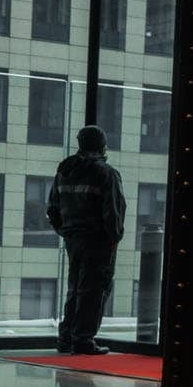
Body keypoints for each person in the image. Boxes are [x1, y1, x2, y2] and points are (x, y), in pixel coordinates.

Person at [46, 125, 126, 355]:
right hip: (98, 241)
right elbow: (113, 211)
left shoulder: (65, 170)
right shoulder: (106, 173)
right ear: (102, 146)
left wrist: (66, 232)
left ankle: (66, 337)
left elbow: (52, 208)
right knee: (93, 289)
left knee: (75, 288)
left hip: (73, 239)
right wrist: (113, 238)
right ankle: (83, 340)